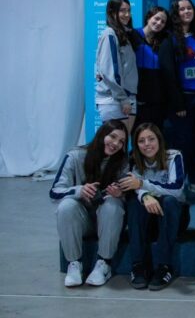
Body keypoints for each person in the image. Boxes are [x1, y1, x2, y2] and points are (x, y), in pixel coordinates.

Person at [49, 120, 129, 287]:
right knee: (66, 206)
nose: (116, 143)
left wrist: (120, 194)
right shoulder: (75, 156)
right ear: (102, 134)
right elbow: (55, 192)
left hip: (108, 221)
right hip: (82, 220)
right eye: (112, 137)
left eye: (121, 141)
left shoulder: (123, 163)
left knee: (113, 205)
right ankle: (74, 264)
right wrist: (79, 191)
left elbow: (130, 197)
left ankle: (104, 264)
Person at [118, 123, 185, 290]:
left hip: (172, 216)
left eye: (151, 139)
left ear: (159, 140)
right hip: (147, 217)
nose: (147, 144)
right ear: (136, 144)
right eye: (141, 141)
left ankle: (164, 266)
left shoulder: (174, 157)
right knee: (134, 203)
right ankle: (138, 266)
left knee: (169, 201)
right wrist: (145, 195)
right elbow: (131, 187)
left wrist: (142, 184)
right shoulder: (133, 161)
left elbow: (176, 189)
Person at [159, 0, 195, 186]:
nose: (186, 11)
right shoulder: (169, 39)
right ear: (176, 13)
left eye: (189, 8)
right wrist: (178, 103)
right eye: (182, 9)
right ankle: (180, 183)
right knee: (184, 143)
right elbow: (168, 74)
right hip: (184, 102)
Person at [96, 0, 138, 133]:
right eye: (122, 10)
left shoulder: (124, 35)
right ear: (112, 12)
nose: (127, 14)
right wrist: (122, 98)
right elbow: (109, 70)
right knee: (115, 143)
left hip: (127, 97)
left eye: (129, 10)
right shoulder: (109, 34)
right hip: (115, 100)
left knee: (123, 143)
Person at [133, 6, 169, 132]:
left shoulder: (163, 41)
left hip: (157, 100)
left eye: (163, 22)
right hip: (137, 99)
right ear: (149, 17)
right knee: (137, 134)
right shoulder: (133, 35)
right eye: (156, 18)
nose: (159, 23)